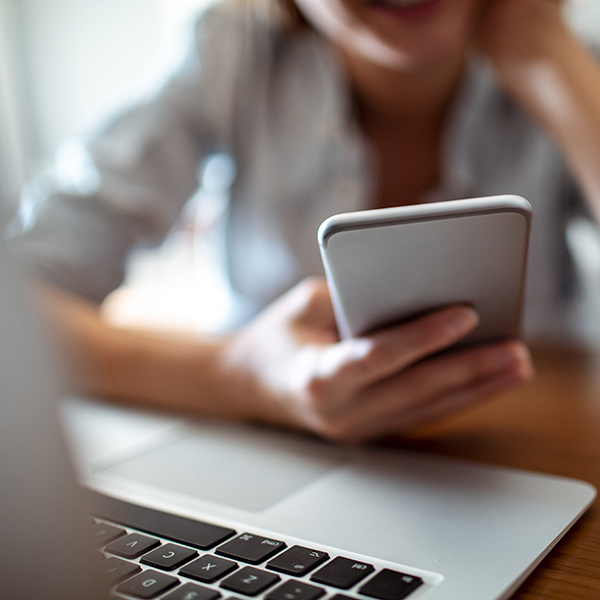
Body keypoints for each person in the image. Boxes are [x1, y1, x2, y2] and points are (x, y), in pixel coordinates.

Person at [9, 0, 600, 443]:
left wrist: (553, 66)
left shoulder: (577, 76)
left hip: (528, 452)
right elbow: (16, 308)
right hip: (270, 452)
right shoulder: (231, 50)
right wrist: (237, 376)